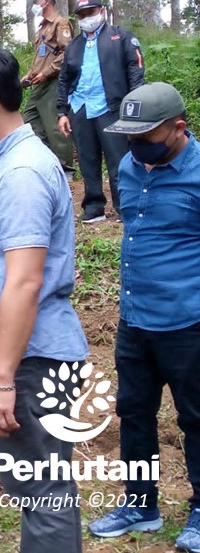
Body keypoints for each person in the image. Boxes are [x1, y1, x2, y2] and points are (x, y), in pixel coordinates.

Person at [0, 47, 89, 553]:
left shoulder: (22, 174)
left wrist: (2, 382)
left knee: (45, 494)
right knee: (35, 491)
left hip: (30, 365)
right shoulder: (5, 166)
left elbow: (24, 283)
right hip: (23, 359)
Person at [88, 83, 200, 552]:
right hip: (135, 319)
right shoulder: (129, 167)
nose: (136, 144)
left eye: (146, 134)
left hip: (188, 322)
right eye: (129, 135)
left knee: (195, 417)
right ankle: (140, 502)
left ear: (179, 127)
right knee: (134, 413)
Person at [57, 0, 144, 223]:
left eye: (91, 12)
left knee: (119, 160)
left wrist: (133, 104)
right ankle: (94, 207)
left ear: (101, 11)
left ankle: (124, 207)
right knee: (88, 160)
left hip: (111, 106)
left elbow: (135, 68)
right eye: (82, 15)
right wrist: (62, 112)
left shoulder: (120, 36)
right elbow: (64, 80)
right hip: (80, 108)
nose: (87, 18)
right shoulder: (74, 46)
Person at [21, 0, 75, 172]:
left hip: (54, 81)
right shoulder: (43, 26)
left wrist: (47, 72)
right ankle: (47, 159)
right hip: (40, 82)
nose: (35, 4)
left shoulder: (61, 23)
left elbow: (68, 52)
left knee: (55, 124)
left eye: (37, 0)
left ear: (47, 1)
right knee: (29, 117)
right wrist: (31, 74)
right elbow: (42, 56)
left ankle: (65, 168)